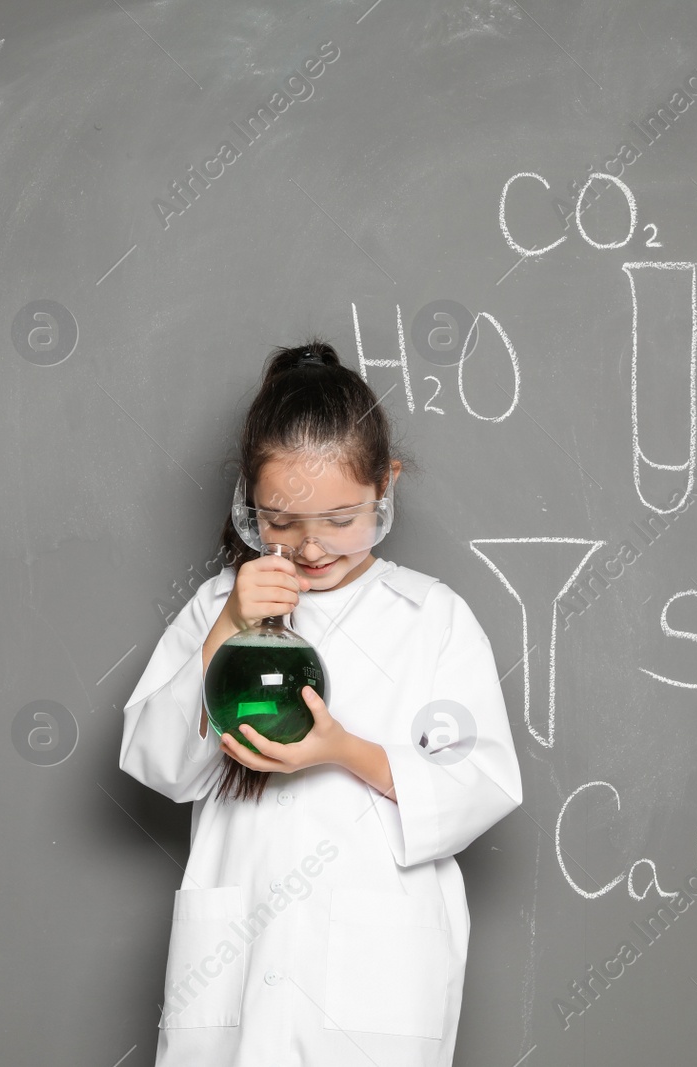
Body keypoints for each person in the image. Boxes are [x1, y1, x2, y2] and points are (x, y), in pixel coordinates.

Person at [119, 338, 524, 1066]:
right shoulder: (219, 603)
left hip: (376, 992)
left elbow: (481, 783)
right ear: (249, 502)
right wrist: (228, 627)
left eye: (340, 518)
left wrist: (343, 749)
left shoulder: (430, 616)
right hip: (236, 978)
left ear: (385, 484)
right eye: (280, 520)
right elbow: (157, 761)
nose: (311, 547)